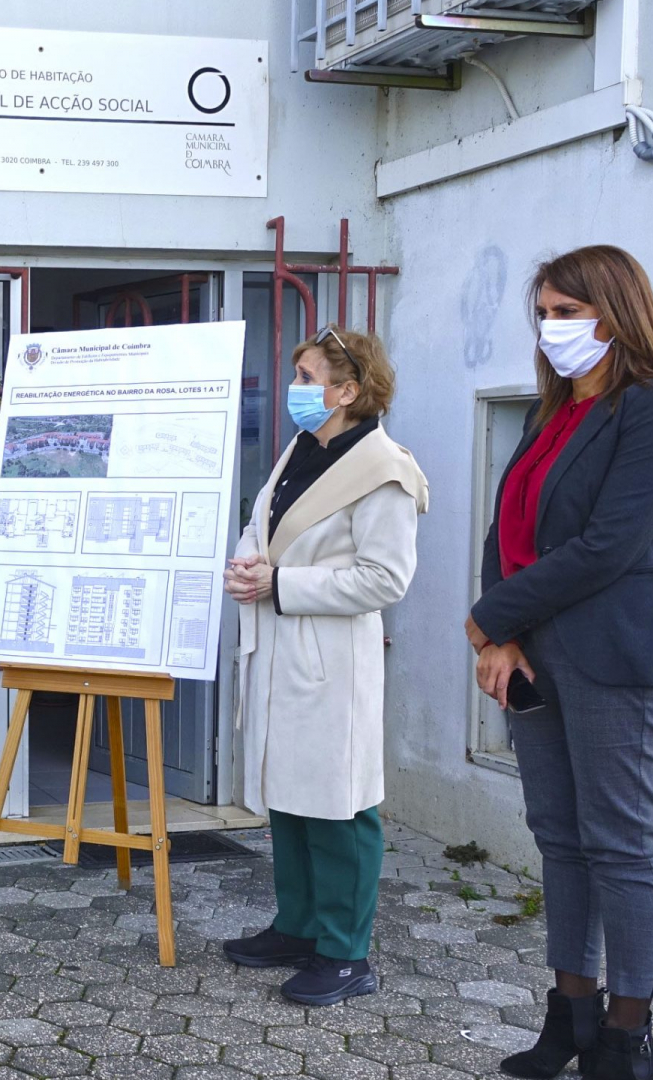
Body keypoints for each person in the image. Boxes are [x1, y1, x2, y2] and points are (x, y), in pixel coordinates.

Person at [471, 246, 653, 1080]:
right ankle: (568, 1016)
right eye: (544, 313)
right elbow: (507, 531)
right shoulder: (549, 410)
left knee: (620, 844)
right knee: (560, 841)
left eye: (568, 311)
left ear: (615, 310)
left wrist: (489, 616)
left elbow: (610, 545)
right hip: (531, 654)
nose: (552, 327)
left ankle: (625, 1037)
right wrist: (500, 639)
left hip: (614, 654)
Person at [219, 325, 428, 1007]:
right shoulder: (305, 449)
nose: (298, 390)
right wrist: (252, 562)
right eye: (300, 376)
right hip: (282, 647)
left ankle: (345, 953)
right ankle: (298, 925)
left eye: (310, 379)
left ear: (349, 391)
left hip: (332, 659)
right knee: (290, 794)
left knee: (340, 805)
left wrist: (280, 585)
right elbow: (270, 527)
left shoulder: (384, 470)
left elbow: (384, 579)